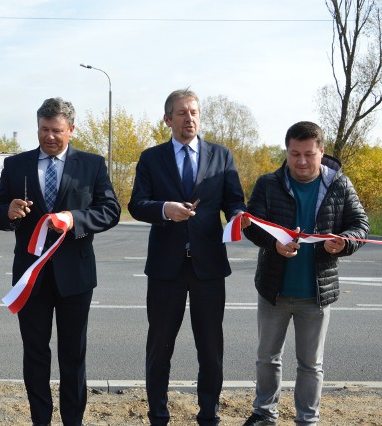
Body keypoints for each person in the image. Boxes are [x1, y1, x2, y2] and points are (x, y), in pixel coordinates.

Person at [0, 97, 120, 426]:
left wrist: (74, 219)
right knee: (35, 353)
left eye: (56, 131)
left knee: (73, 355)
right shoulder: (16, 165)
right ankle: (40, 420)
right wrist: (8, 212)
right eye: (43, 130)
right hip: (31, 276)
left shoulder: (92, 165)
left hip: (75, 276)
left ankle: (73, 420)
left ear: (71, 129)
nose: (49, 137)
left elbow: (110, 210)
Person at [128, 89, 246, 426]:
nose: (189, 118)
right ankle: (158, 415)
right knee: (159, 348)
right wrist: (166, 209)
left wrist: (240, 216)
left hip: (208, 266)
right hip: (167, 268)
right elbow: (137, 204)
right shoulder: (151, 158)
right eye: (181, 113)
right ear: (168, 119)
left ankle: (209, 415)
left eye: (193, 111)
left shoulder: (221, 156)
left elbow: (234, 201)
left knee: (211, 350)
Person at [241, 121, 369, 426]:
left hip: (317, 292)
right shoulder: (268, 183)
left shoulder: (340, 184)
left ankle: (307, 420)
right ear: (286, 151)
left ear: (321, 152)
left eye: (308, 154)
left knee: (311, 364)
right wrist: (274, 244)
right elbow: (252, 226)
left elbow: (360, 225)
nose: (301, 161)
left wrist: (345, 243)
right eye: (294, 153)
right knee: (267, 358)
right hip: (274, 289)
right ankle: (264, 414)